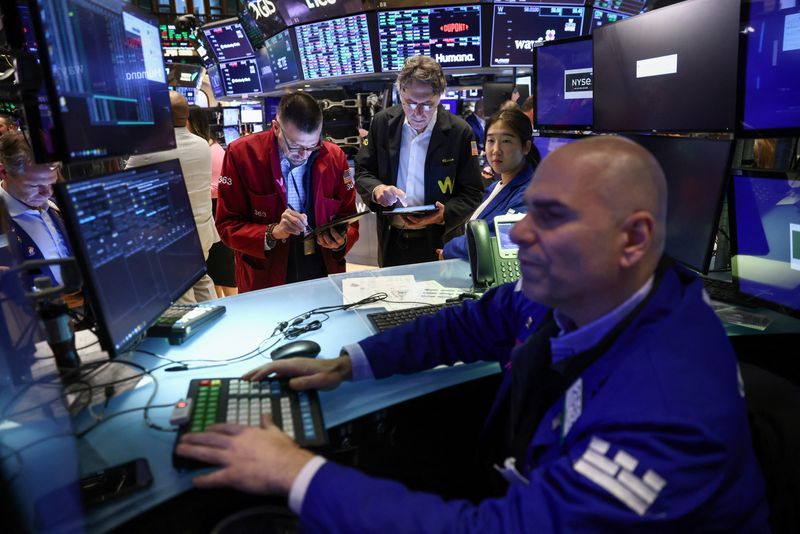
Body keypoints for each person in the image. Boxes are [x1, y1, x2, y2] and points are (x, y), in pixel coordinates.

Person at [176, 136, 769, 531]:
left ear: (634, 240)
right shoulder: (579, 295)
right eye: (527, 210)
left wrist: (294, 472)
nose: (518, 236)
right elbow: (469, 324)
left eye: (552, 217)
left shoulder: (666, 407)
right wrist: (346, 364)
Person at [215, 92, 359, 293]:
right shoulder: (241, 154)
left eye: (312, 146)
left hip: (322, 267)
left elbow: (350, 219)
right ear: (276, 128)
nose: (304, 155)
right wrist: (273, 232)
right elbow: (227, 226)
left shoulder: (334, 156)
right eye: (295, 146)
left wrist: (339, 240)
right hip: (266, 273)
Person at [355, 56, 483, 267]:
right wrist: (377, 189)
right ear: (400, 94)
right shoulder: (382, 123)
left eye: (427, 105)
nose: (418, 113)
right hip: (391, 238)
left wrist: (444, 214)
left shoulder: (459, 132)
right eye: (410, 103)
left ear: (440, 96)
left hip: (439, 241)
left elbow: (472, 192)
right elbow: (363, 171)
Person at [126, 91, 219, 303]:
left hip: (173, 237)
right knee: (201, 281)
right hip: (202, 232)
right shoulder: (202, 144)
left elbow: (123, 185)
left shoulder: (150, 149)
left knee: (182, 299)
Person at [442, 108, 540, 260]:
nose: (496, 150)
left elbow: (493, 241)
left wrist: (449, 249)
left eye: (506, 141)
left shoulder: (530, 194)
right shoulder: (495, 187)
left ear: (526, 146)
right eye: (491, 140)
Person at [0, 131, 70, 287]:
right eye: (34, 185)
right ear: (4, 172)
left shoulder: (55, 204)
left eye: (52, 183)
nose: (47, 193)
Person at [186, 105, 237, 298]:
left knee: (224, 271)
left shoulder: (212, 151)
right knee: (214, 272)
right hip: (209, 210)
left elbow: (220, 186)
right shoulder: (205, 148)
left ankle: (237, 307)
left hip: (216, 210)